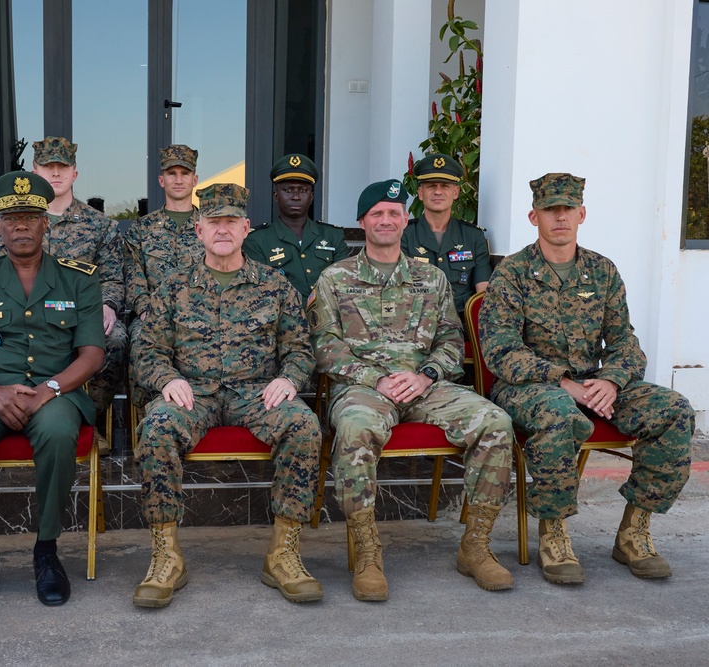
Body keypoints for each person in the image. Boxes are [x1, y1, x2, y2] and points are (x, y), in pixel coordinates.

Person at [479, 173, 693, 585]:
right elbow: (501, 351)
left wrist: (611, 381)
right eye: (550, 210)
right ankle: (554, 532)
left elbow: (625, 341)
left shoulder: (602, 271)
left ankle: (634, 531)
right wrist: (562, 381)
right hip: (527, 387)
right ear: (533, 216)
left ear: (582, 214)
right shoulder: (513, 273)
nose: (559, 217)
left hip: (594, 382)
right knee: (558, 412)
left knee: (673, 410)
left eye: (567, 209)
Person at [308, 179, 515, 601]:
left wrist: (425, 376)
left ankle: (475, 546)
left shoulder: (431, 278)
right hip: (363, 387)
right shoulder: (335, 278)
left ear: (406, 220)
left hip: (425, 386)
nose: (385, 220)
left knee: (495, 421)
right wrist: (376, 379)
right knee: (353, 429)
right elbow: (325, 346)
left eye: (393, 213)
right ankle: (367, 552)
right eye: (376, 214)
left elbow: (452, 341)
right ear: (361, 222)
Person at [131, 183, 323, 608]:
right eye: (213, 222)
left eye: (231, 222)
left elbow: (299, 348)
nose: (222, 230)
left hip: (257, 393)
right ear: (198, 230)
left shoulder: (275, 286)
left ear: (246, 228)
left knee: (304, 424)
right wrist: (165, 379)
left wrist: (290, 378)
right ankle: (167, 556)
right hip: (191, 393)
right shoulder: (173, 287)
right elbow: (147, 351)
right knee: (159, 425)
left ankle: (283, 553)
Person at [0, 171, 105, 611]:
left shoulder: (79, 279)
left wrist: (50, 388)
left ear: (45, 223)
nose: (20, 225)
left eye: (30, 217)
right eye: (10, 218)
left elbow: (92, 354)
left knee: (56, 434)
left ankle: (47, 552)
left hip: (58, 392)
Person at [0, 137, 125, 420]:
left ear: (75, 173)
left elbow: (113, 278)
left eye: (63, 166)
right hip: (20, 312)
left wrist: (107, 305)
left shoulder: (101, 226)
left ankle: (90, 421)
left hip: (80, 314)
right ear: (34, 172)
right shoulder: (9, 222)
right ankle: (9, 410)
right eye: (48, 166)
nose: (56, 173)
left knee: (116, 339)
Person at [122, 144, 203, 407]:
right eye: (171, 173)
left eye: (184, 173)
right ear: (161, 180)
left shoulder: (210, 226)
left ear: (195, 180)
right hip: (153, 316)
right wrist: (148, 313)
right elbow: (134, 278)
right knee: (139, 343)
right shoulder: (141, 230)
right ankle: (145, 418)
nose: (178, 179)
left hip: (203, 316)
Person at [243, 153, 349, 303]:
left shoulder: (333, 236)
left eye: (303, 190)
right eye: (288, 190)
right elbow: (260, 294)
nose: (296, 196)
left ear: (311, 196)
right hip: (282, 324)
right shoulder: (256, 240)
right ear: (275, 196)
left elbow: (344, 286)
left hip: (328, 323)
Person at [401, 153, 491, 325]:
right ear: (420, 193)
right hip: (415, 327)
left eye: (445, 186)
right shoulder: (405, 235)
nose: (438, 191)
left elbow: (483, 293)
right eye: (431, 186)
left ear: (456, 192)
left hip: (461, 328)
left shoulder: (473, 237)